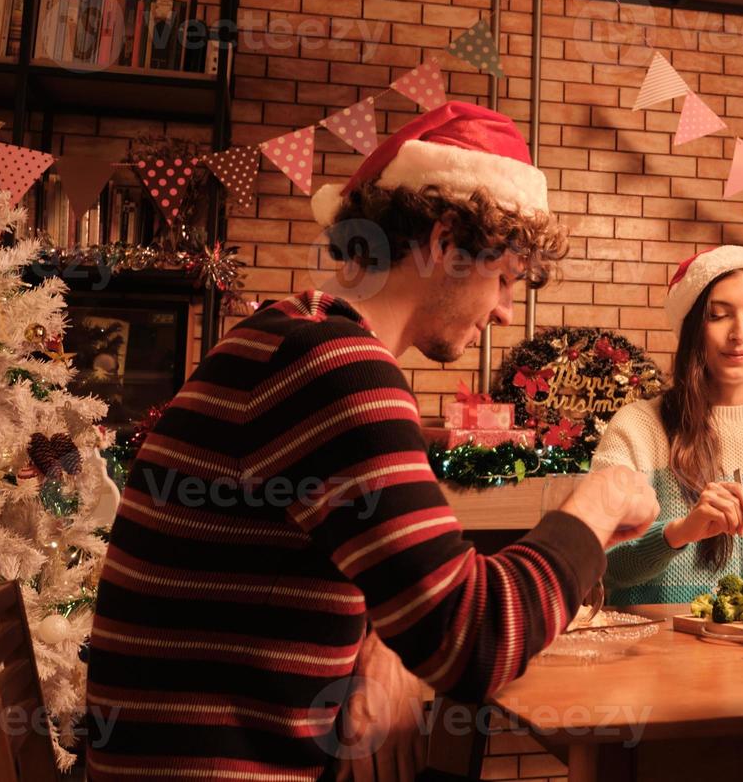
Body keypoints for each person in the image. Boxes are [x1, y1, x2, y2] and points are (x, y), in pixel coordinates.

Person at [85, 102, 659, 782]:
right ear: (445, 242)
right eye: (504, 278)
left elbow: (406, 591)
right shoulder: (337, 369)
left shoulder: (296, 335)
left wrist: (384, 641)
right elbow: (473, 644)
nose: (506, 311)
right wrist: (599, 500)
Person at [591, 246, 743, 606]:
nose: (739, 333)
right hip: (657, 653)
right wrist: (678, 533)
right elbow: (599, 566)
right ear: (694, 327)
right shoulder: (638, 428)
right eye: (720, 315)